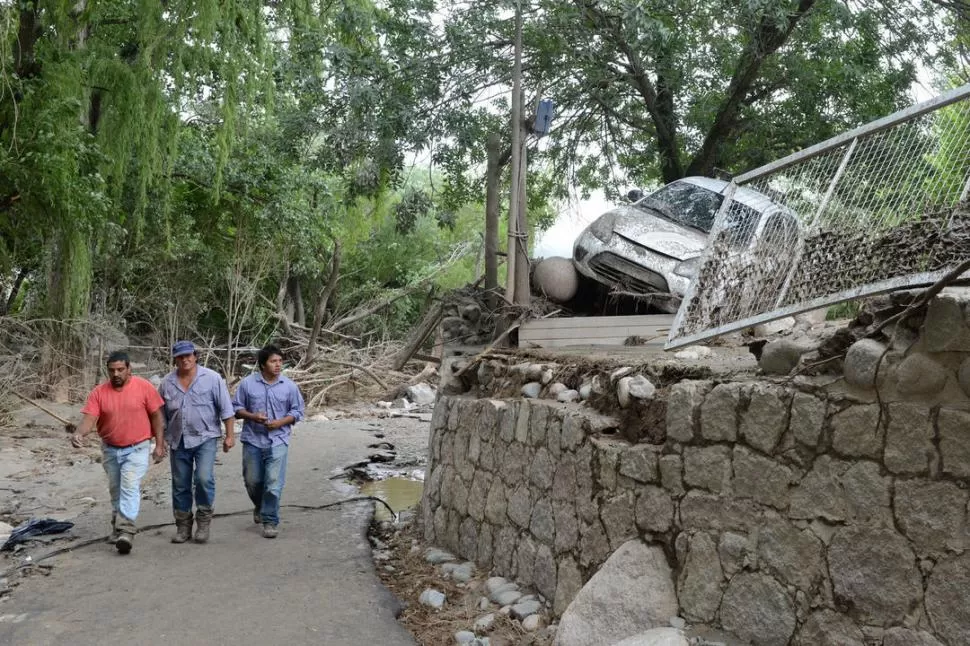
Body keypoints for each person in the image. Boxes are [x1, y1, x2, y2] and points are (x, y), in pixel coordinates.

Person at [69, 351, 166, 554]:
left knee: (129, 485)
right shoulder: (99, 392)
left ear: (129, 369)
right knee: (116, 490)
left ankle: (126, 530)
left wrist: (159, 444)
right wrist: (79, 434)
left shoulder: (144, 387)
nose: (116, 374)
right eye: (112, 370)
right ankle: (117, 526)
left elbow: (157, 417)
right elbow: (89, 419)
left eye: (120, 369)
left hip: (137, 447)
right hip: (111, 449)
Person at [157, 340, 236, 544]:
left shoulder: (211, 378)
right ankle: (183, 526)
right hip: (178, 439)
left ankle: (203, 521)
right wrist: (160, 441)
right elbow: (160, 416)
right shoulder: (166, 383)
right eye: (180, 356)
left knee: (203, 479)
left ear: (195, 356)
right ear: (174, 359)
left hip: (205, 437)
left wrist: (230, 435)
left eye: (188, 355)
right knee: (180, 484)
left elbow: (227, 410)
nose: (185, 359)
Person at [232, 344, 305, 538]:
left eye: (280, 361)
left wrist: (282, 421)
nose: (278, 365)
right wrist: (253, 416)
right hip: (252, 440)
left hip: (279, 439)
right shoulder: (248, 384)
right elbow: (236, 408)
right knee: (252, 481)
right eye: (273, 361)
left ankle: (270, 520)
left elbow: (298, 411)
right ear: (263, 364)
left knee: (273, 483)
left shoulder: (289, 386)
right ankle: (260, 506)